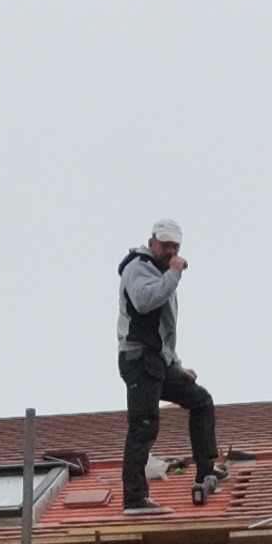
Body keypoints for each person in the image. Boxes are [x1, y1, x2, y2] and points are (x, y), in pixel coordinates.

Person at [116, 219, 219, 510]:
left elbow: (163, 331)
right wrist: (174, 273)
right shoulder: (139, 267)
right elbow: (144, 302)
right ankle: (134, 498)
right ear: (152, 243)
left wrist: (176, 364)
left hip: (158, 362)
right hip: (139, 360)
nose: (170, 251)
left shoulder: (162, 274)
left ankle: (205, 470)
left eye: (175, 246)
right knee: (144, 426)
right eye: (165, 245)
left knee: (200, 400)